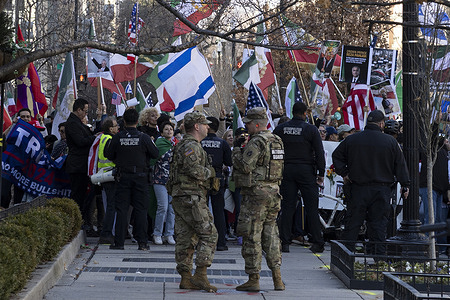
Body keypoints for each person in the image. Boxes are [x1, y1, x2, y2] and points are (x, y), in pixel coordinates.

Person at [332, 110, 410, 254]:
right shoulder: (390, 142)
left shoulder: (352, 139)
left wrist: (345, 173)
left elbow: (336, 156)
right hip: (381, 189)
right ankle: (379, 258)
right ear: (381, 124)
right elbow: (400, 165)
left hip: (357, 188)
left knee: (353, 224)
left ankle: (345, 257)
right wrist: (405, 185)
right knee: (379, 225)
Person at [233, 107, 285, 291]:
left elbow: (245, 166)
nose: (246, 126)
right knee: (271, 234)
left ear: (257, 124)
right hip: (274, 191)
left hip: (256, 193)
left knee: (251, 234)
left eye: (248, 123)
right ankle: (277, 279)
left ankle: (253, 278)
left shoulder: (257, 142)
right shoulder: (276, 140)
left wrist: (237, 150)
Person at [166, 111, 218, 292]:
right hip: (191, 196)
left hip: (183, 196)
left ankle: (186, 277)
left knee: (186, 237)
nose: (207, 127)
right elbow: (195, 171)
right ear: (196, 126)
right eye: (204, 124)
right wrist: (211, 172)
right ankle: (200, 275)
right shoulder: (191, 147)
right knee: (209, 234)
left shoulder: (183, 145)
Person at [273, 102, 325, 254]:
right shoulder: (311, 129)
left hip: (286, 170)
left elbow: (274, 147)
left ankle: (284, 242)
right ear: (305, 114)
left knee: (287, 207)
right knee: (311, 207)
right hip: (306, 171)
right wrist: (321, 173)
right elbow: (319, 152)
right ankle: (317, 241)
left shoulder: (281, 128)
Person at [105, 108, 159, 251]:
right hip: (141, 177)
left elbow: (109, 155)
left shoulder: (117, 137)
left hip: (123, 177)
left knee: (122, 209)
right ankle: (142, 243)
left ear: (124, 122)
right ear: (137, 121)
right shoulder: (144, 137)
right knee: (141, 209)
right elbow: (155, 153)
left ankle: (119, 242)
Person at [65, 98, 96, 233]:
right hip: (77, 165)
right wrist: (95, 137)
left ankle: (80, 221)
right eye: (85, 111)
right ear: (78, 110)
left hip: (82, 165)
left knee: (83, 195)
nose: (85, 114)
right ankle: (75, 222)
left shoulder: (77, 123)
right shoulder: (72, 123)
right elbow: (80, 141)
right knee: (77, 195)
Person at [201, 116, 232, 251]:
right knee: (219, 211)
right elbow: (229, 162)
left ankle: (202, 241)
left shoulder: (199, 142)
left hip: (202, 178)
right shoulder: (222, 143)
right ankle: (221, 243)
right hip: (218, 179)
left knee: (201, 210)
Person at [150, 121, 176, 246]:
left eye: (171, 129)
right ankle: (157, 233)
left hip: (172, 181)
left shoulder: (175, 144)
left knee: (172, 209)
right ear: (161, 132)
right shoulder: (159, 144)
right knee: (163, 207)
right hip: (159, 180)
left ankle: (169, 234)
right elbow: (152, 160)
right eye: (166, 129)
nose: (169, 131)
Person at [97, 117, 119, 245]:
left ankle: (107, 232)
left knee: (110, 205)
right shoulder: (110, 139)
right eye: (116, 126)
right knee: (111, 206)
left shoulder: (103, 138)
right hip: (110, 174)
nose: (117, 128)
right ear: (111, 128)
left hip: (104, 175)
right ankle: (106, 233)